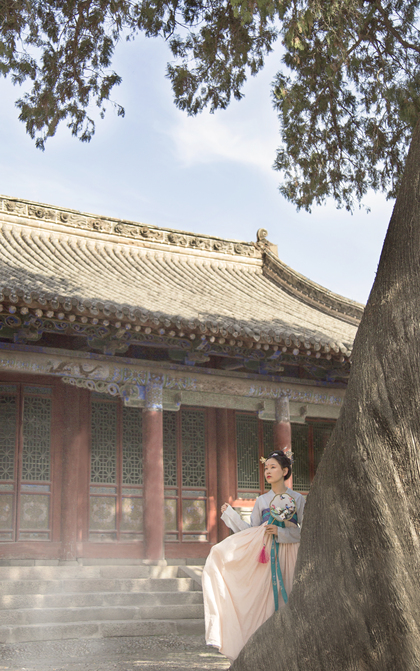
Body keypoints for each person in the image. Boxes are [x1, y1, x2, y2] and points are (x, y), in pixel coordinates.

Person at [202, 450, 305, 661]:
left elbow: (306, 532)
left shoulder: (298, 499)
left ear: (285, 470)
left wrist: (282, 532)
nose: (268, 471)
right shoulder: (262, 501)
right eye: (266, 468)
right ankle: (265, 655)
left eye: (273, 467)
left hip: (291, 553)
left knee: (288, 596)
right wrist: (231, 516)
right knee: (264, 604)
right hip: (266, 556)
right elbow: (251, 531)